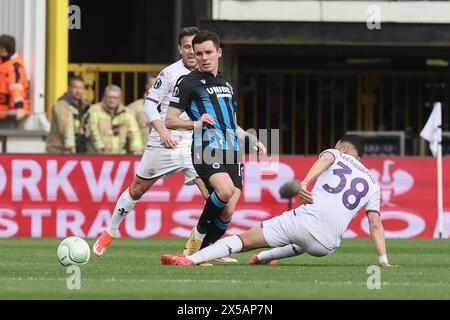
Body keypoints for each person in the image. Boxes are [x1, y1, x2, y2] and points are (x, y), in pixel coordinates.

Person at [161, 135, 394, 268]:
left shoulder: (336, 153)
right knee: (301, 241)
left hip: (304, 223)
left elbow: (325, 159)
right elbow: (375, 225)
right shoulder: (373, 183)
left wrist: (304, 182)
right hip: (327, 246)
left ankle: (191, 259)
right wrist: (383, 261)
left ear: (343, 147)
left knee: (244, 239)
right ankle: (264, 258)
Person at [93, 27, 214, 257]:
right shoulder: (169, 74)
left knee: (213, 193)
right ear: (180, 48)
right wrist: (163, 132)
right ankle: (111, 231)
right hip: (165, 138)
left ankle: (205, 245)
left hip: (195, 140)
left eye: (194, 48)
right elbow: (150, 104)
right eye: (186, 47)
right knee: (138, 189)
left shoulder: (207, 73)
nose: (191, 52)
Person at [164, 30, 266, 260]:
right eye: (198, 53)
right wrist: (195, 124)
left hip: (232, 150)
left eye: (208, 52)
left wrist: (252, 139)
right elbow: (170, 119)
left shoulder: (226, 84)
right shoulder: (187, 82)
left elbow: (230, 122)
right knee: (225, 191)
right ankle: (197, 236)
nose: (203, 57)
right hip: (206, 149)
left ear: (219, 52)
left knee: (228, 209)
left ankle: (201, 254)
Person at [85, 84, 143, 155]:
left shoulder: (127, 113)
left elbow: (134, 133)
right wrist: (100, 150)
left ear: (119, 99)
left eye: (115, 97)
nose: (111, 100)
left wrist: (136, 149)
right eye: (109, 97)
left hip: (120, 157)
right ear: (104, 97)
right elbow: (93, 132)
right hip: (97, 156)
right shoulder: (94, 110)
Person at [46, 75, 90, 154]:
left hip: (80, 150)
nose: (78, 91)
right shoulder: (62, 104)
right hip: (61, 151)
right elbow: (66, 127)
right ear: (69, 88)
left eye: (81, 88)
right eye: (75, 88)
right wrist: (71, 149)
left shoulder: (85, 106)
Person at [0, 34, 29, 128]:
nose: (1, 49)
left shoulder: (15, 66)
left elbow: (16, 87)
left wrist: (19, 107)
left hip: (11, 113)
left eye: (3, 47)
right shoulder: (3, 64)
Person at [127, 72, 158, 144]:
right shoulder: (133, 107)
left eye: (156, 86)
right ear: (147, 86)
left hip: (160, 151)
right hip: (139, 152)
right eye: (151, 85)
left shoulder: (168, 107)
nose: (154, 89)